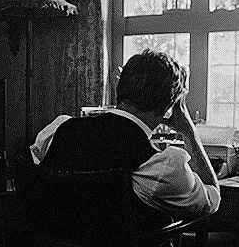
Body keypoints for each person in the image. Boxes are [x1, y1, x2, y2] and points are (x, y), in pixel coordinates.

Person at [30, 49, 220, 226]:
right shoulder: (158, 167)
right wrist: (189, 132)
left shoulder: (59, 130)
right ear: (170, 107)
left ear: (118, 89)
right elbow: (211, 200)